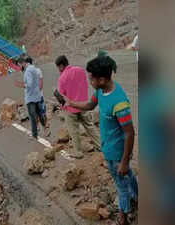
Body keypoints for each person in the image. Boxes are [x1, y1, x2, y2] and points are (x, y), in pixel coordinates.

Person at [66, 56, 138, 225]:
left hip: (117, 153)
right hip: (107, 148)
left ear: (102, 79)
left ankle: (124, 215)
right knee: (127, 177)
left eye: (91, 78)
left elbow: (130, 133)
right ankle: (137, 196)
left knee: (120, 185)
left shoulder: (120, 103)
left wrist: (125, 161)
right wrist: (72, 103)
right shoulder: (100, 90)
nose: (89, 80)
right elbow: (90, 106)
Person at [55, 55, 100, 159]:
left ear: (61, 66)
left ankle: (78, 152)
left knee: (73, 130)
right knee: (90, 126)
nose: (58, 70)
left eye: (58, 67)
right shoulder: (80, 70)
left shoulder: (62, 78)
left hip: (70, 108)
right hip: (84, 104)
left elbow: (61, 96)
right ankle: (100, 145)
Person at [14, 56, 45, 140]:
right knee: (39, 113)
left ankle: (34, 135)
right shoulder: (34, 68)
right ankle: (45, 129)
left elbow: (30, 84)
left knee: (32, 116)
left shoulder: (28, 71)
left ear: (21, 63)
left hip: (30, 97)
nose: (19, 68)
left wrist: (20, 84)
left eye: (19, 66)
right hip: (37, 95)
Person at [37, 67, 51, 137]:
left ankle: (45, 128)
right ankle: (38, 127)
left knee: (42, 113)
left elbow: (41, 84)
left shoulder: (37, 71)